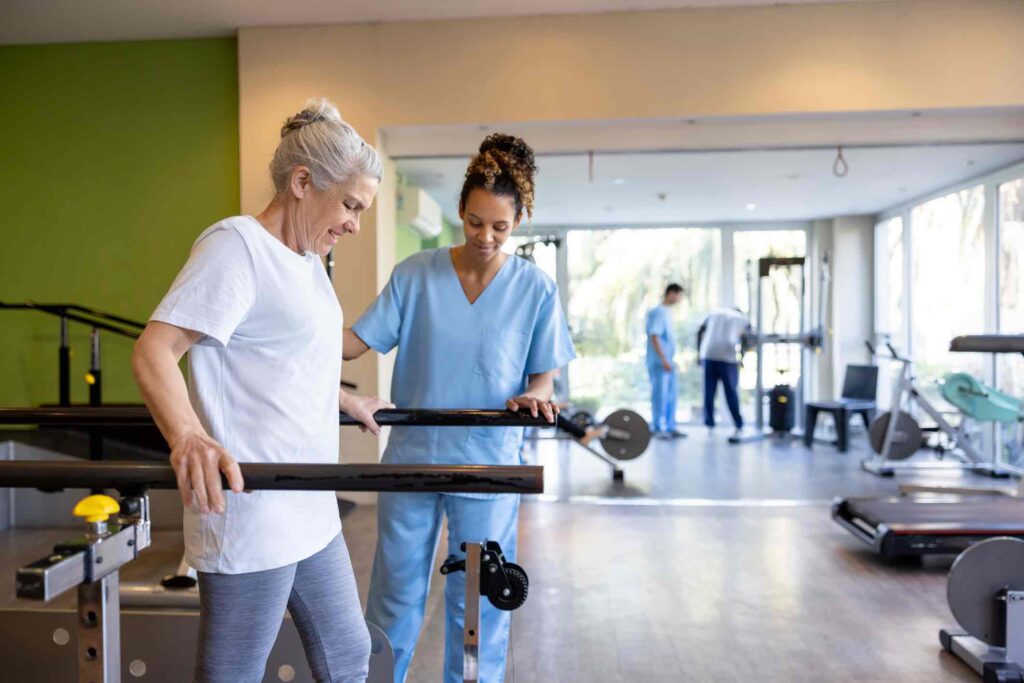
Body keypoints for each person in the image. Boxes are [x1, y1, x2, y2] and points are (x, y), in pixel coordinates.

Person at [132, 98, 389, 683]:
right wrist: (189, 437)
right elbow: (153, 351)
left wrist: (345, 401)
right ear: (302, 182)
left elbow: (286, 365)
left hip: (308, 506)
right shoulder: (236, 247)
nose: (354, 222)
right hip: (251, 511)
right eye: (350, 204)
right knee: (234, 676)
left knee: (349, 654)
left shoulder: (305, 261)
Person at [344, 134, 575, 683]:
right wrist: (289, 330)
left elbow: (544, 380)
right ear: (460, 213)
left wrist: (532, 398)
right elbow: (355, 341)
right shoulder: (415, 274)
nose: (485, 237)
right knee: (394, 595)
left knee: (477, 603)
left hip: (487, 463)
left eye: (500, 226)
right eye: (475, 222)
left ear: (519, 220)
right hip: (412, 460)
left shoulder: (535, 289)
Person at [697, 306, 750, 438]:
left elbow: (699, 331)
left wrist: (699, 353)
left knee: (709, 392)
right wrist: (742, 357)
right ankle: (739, 425)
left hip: (709, 354)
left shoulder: (713, 313)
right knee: (731, 392)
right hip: (728, 357)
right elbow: (746, 339)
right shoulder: (741, 318)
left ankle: (710, 425)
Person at [645, 283, 685, 439]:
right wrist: (663, 359)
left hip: (668, 360)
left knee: (671, 395)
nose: (680, 299)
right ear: (671, 293)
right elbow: (654, 336)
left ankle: (670, 427)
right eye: (679, 295)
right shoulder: (659, 312)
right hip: (660, 361)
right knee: (660, 395)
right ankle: (658, 427)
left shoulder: (667, 313)